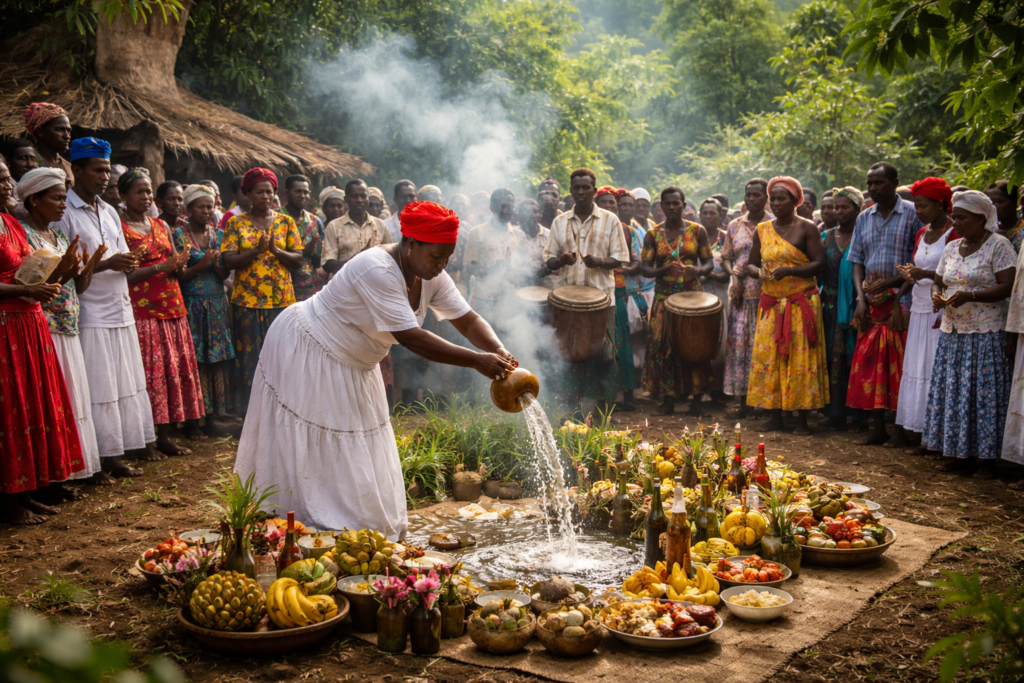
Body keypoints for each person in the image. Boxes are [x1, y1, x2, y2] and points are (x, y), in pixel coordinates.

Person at [234, 201, 515, 536]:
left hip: (355, 361)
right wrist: (475, 360)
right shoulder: (376, 268)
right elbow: (410, 337)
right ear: (411, 244)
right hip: (308, 347)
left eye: (448, 258)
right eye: (437, 257)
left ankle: (357, 526)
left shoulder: (430, 274)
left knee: (355, 441)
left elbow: (468, 321)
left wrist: (498, 350)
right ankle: (308, 523)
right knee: (318, 437)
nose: (443, 266)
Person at [55, 138, 153, 478]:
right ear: (77, 170)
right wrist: (108, 263)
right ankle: (93, 459)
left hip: (120, 307)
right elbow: (61, 268)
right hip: (89, 311)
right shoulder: (62, 211)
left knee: (120, 384)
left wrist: (125, 262)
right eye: (97, 170)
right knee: (96, 388)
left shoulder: (109, 210)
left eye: (106, 171)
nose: (103, 177)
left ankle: (113, 454)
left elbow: (119, 254)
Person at [0, 162, 87, 525]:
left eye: (8, 176)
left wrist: (65, 270)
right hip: (6, 325)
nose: (9, 183)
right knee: (10, 411)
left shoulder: (13, 225)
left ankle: (29, 492)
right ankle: (8, 502)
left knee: (31, 407)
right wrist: (25, 290)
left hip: (29, 323)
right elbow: (19, 282)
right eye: (1, 177)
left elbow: (33, 273)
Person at [18, 167, 108, 499]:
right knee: (52, 402)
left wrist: (89, 265)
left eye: (62, 197)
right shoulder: (24, 235)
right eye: (56, 198)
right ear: (33, 200)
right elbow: (28, 287)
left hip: (68, 323)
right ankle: (53, 480)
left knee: (71, 401)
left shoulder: (56, 237)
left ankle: (72, 469)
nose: (62, 205)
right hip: (45, 327)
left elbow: (76, 286)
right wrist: (63, 269)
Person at [926, 191, 1016, 479]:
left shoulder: (998, 245)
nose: (956, 221)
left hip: (986, 333)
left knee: (982, 396)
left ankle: (986, 461)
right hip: (953, 332)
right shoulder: (952, 247)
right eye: (954, 216)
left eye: (962, 217)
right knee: (955, 392)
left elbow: (1007, 287)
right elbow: (938, 281)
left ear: (980, 218)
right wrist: (937, 297)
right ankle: (957, 453)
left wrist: (971, 296)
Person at [119, 169, 203, 456]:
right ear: (123, 197)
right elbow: (125, 274)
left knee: (170, 372)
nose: (145, 197)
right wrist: (160, 268)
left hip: (172, 305)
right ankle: (146, 441)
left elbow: (175, 268)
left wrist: (178, 264)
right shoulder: (119, 226)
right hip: (143, 310)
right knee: (148, 375)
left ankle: (165, 437)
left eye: (147, 192)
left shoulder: (161, 226)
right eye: (137, 192)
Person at [846, 162, 922, 446]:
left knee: (899, 366)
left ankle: (901, 430)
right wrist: (860, 297)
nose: (873, 188)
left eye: (879, 183)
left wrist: (893, 287)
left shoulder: (913, 214)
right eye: (869, 184)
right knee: (869, 364)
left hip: (901, 301)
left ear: (895, 182)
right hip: (870, 302)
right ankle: (878, 428)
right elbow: (856, 262)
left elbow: (917, 261)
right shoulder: (865, 218)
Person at [746, 176, 829, 434]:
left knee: (800, 359)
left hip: (800, 302)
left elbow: (820, 263)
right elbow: (750, 263)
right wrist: (757, 273)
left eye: (782, 198)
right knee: (770, 358)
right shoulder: (762, 230)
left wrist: (791, 271)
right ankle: (775, 416)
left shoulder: (807, 227)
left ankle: (802, 418)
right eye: (774, 199)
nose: (777, 203)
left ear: (796, 201)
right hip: (771, 305)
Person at [221, 167, 304, 415]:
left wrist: (276, 251)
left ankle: (283, 408)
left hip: (281, 301)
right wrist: (255, 252)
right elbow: (228, 262)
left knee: (283, 356)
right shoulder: (236, 223)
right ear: (247, 193)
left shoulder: (286, 222)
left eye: (269, 191)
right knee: (250, 360)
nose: (265, 196)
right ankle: (253, 412)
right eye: (259, 192)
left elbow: (298, 259)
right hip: (247, 302)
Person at [544, 168, 629, 410]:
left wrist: (600, 262)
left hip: (601, 302)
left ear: (594, 190)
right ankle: (571, 410)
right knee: (567, 355)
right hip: (566, 303)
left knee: (604, 356)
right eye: (577, 188)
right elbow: (549, 261)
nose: (581, 191)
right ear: (570, 191)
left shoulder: (611, 220)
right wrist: (561, 260)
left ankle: (603, 411)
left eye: (586, 187)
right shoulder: (559, 222)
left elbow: (620, 259)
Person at [893, 178, 957, 454]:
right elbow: (917, 268)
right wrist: (904, 285)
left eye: (924, 206)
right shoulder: (921, 233)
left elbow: (955, 272)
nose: (918, 211)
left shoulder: (954, 232)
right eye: (917, 206)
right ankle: (921, 433)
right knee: (917, 368)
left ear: (940, 204)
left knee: (935, 371)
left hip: (941, 307)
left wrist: (928, 274)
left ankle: (939, 436)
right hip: (918, 307)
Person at [640, 187, 714, 416]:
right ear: (661, 206)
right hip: (664, 299)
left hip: (693, 298)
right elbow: (645, 268)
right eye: (668, 204)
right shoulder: (653, 234)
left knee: (695, 346)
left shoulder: (697, 231)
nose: (672, 208)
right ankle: (668, 401)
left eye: (676, 203)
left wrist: (697, 270)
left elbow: (709, 263)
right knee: (664, 347)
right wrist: (663, 268)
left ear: (684, 205)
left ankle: (696, 400)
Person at [174, 184, 235, 436]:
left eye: (210, 206)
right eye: (200, 206)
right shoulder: (178, 235)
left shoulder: (219, 235)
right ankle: (191, 420)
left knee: (215, 360)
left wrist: (218, 264)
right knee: (194, 360)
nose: (206, 211)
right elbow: (179, 275)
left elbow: (222, 275)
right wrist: (204, 264)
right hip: (192, 304)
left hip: (216, 303)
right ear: (188, 209)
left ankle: (213, 416)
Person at [822, 187, 869, 431]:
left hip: (855, 305)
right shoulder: (826, 237)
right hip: (828, 306)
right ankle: (835, 412)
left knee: (855, 358)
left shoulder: (864, 235)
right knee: (832, 358)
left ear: (858, 209)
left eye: (844, 207)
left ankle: (859, 416)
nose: (838, 211)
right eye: (835, 207)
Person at [721, 179, 769, 415]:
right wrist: (734, 276)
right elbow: (727, 257)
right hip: (741, 296)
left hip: (768, 295)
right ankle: (743, 402)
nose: (751, 199)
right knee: (740, 348)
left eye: (757, 195)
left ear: (766, 198)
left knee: (763, 348)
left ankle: (765, 401)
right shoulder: (735, 225)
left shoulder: (774, 223)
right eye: (748, 194)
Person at [463, 188, 523, 325]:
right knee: (483, 343)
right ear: (492, 208)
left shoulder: (519, 235)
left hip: (510, 299)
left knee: (510, 341)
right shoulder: (476, 232)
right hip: (483, 299)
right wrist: (488, 268)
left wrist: (513, 268)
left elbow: (526, 269)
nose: (508, 210)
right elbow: (469, 267)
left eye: (511, 206)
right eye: (503, 206)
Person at [322, 179, 392, 275]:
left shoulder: (381, 225)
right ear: (346, 199)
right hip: (345, 286)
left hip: (373, 285)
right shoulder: (334, 226)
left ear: (368, 198)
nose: (359, 200)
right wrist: (357, 259)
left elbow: (390, 259)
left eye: (363, 196)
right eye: (354, 196)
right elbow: (327, 265)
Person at [280, 175, 324, 301]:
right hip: (283, 288)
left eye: (306, 192)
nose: (302, 196)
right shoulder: (276, 219)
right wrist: (303, 252)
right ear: (287, 193)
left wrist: (316, 251)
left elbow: (318, 262)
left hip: (311, 289)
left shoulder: (315, 221)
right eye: (297, 191)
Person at [23, 103, 73, 185]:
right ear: (40, 131)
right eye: (59, 129)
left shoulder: (69, 167)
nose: (67, 136)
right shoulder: (29, 165)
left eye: (68, 130)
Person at [517, 198, 558, 289]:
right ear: (518, 215)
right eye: (527, 211)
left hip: (547, 288)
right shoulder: (513, 235)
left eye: (536, 211)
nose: (532, 215)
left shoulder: (550, 236)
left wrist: (548, 269)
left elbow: (559, 263)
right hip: (520, 287)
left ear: (541, 215)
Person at [986, 181, 1022, 252]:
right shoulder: (987, 232)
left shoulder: (1021, 231)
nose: (994, 207)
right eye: (990, 203)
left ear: (1015, 202)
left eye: (1000, 202)